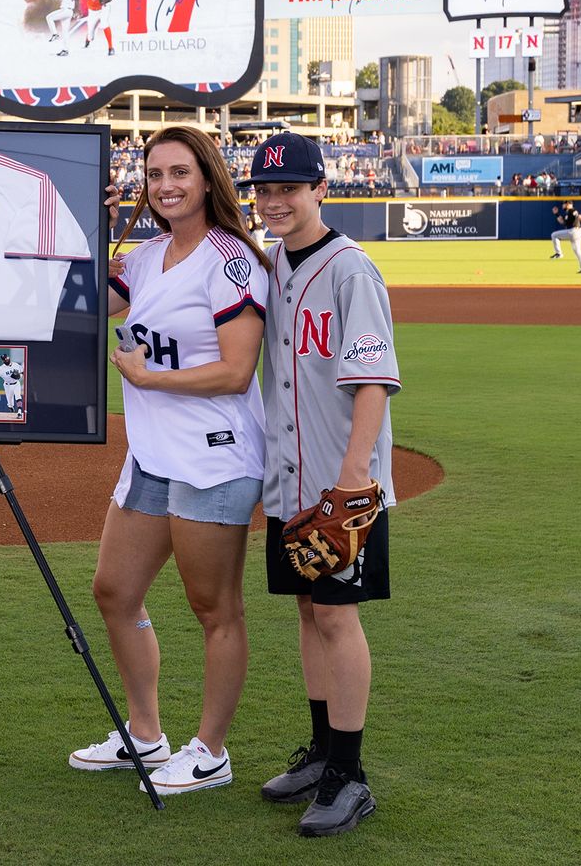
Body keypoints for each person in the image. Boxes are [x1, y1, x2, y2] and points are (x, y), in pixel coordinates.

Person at [70, 124, 269, 795]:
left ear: (208, 177)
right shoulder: (151, 255)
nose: (166, 186)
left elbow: (237, 371)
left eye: (179, 172)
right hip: (153, 454)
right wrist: (89, 223)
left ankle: (211, 750)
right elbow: (89, 301)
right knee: (115, 591)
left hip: (214, 455)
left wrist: (148, 380)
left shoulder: (230, 260)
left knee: (214, 608)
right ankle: (146, 734)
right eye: (155, 175)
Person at [239, 132, 400, 838]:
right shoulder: (269, 264)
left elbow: (372, 382)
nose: (275, 201)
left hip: (341, 486)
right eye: (265, 190)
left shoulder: (350, 270)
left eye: (289, 189)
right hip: (289, 481)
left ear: (320, 189)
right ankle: (321, 753)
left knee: (338, 616)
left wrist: (353, 479)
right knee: (308, 609)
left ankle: (351, 775)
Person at [550, 198, 581, 274]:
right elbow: (563, 221)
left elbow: (578, 216)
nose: (563, 205)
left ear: (568, 204)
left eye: (564, 204)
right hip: (577, 232)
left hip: (573, 231)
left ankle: (559, 253)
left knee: (554, 235)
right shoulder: (568, 212)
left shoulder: (571, 211)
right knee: (578, 251)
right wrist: (556, 214)